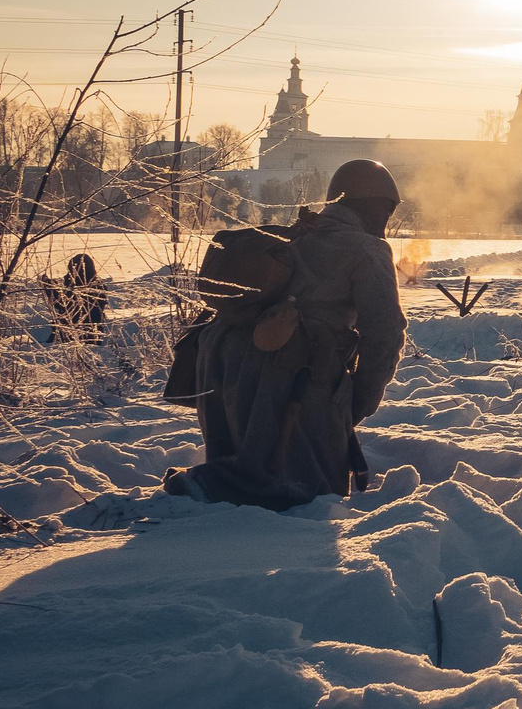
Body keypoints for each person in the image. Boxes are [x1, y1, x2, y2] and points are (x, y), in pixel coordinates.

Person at [170, 159, 405, 509]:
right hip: (291, 366)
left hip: (221, 352)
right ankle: (203, 488)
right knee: (305, 490)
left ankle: (204, 495)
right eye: (386, 210)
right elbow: (385, 332)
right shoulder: (366, 249)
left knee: (246, 470)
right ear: (377, 207)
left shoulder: (293, 235)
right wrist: (359, 401)